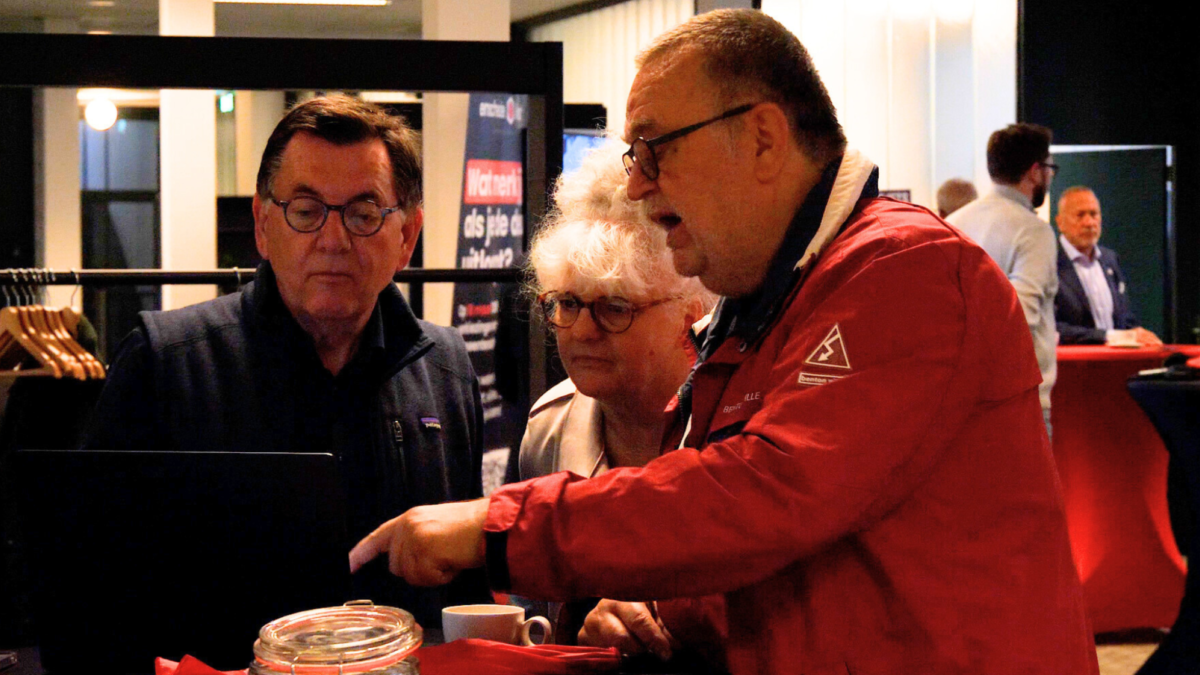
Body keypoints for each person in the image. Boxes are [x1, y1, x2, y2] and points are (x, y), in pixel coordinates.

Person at [349, 10, 1097, 675]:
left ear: (764, 137)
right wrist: (658, 612)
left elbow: (766, 495)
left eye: (652, 149)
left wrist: (498, 524)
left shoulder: (907, 270)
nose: (636, 185)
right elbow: (782, 556)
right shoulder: (765, 303)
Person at [82, 95, 490, 627]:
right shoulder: (168, 365)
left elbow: (466, 596)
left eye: (363, 215)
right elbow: (91, 586)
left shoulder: (445, 371)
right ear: (261, 224)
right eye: (306, 211)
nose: (333, 239)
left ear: (407, 237)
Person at [519, 141, 723, 665]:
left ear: (690, 316)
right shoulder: (550, 427)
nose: (582, 331)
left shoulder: (734, 426)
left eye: (614, 307)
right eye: (566, 303)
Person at [947, 123, 1059, 435]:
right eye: (1049, 168)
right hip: (1020, 403)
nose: (1049, 177)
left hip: (961, 401)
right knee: (1029, 486)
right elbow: (1020, 319)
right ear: (1035, 172)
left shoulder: (953, 223)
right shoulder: (1033, 231)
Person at [1055, 186, 1162, 346]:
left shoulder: (1109, 259)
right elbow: (1051, 328)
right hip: (1073, 365)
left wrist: (1139, 335)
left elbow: (1124, 319)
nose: (1089, 222)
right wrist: (1109, 337)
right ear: (1060, 222)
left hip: (1115, 363)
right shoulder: (1049, 262)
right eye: (1080, 215)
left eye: (1094, 214)